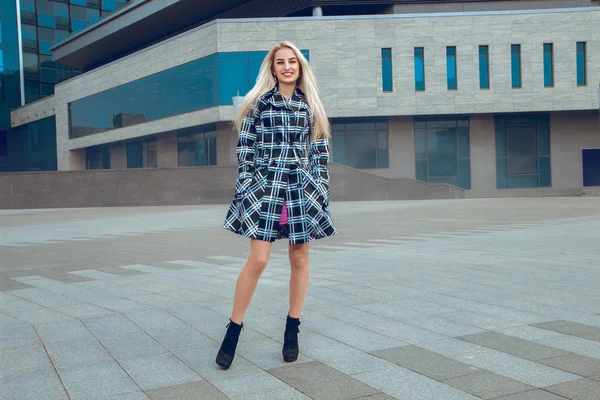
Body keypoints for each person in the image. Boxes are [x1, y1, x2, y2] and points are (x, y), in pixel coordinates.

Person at [217, 41, 337, 369]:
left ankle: (292, 328)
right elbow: (246, 152)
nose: (287, 67)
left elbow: (321, 154)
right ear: (272, 68)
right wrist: (247, 188)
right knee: (257, 260)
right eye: (280, 62)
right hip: (266, 190)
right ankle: (234, 329)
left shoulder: (311, 106)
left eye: (292, 62)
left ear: (300, 67)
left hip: (301, 190)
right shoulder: (257, 104)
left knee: (299, 258)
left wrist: (320, 191)